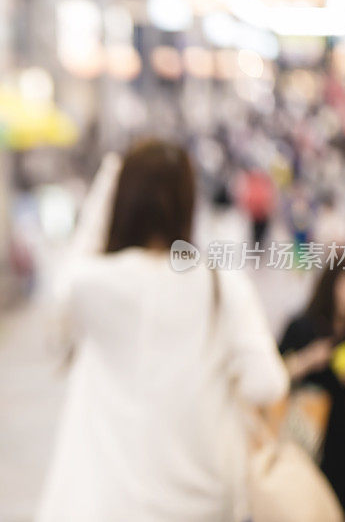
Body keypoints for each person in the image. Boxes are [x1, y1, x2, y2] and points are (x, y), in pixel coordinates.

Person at [36, 140, 289, 521]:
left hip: (102, 503)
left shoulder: (92, 284)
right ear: (190, 203)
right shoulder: (222, 285)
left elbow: (59, 304)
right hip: (202, 503)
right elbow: (266, 383)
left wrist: (106, 190)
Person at [279, 262, 345, 522]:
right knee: (304, 502)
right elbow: (276, 374)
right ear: (331, 285)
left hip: (340, 431)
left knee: (340, 502)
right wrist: (309, 359)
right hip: (304, 428)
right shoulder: (302, 325)